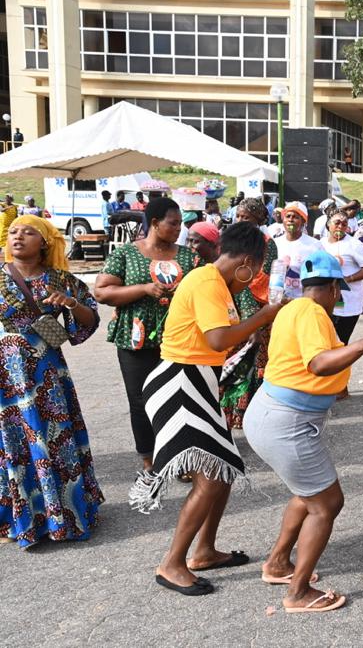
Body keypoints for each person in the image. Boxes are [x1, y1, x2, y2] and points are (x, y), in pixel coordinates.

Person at [128, 222, 283, 596]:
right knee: (210, 477)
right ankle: (172, 563)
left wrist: (253, 332)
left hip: (198, 381)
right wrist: (264, 315)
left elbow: (217, 343)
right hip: (179, 382)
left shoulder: (216, 285)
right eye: (258, 268)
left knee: (222, 469)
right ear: (247, 261)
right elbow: (217, 338)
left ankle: (204, 551)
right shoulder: (206, 282)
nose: (256, 277)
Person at [244, 250, 363, 612]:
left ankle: (278, 564)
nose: (338, 297)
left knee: (307, 493)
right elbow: (317, 363)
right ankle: (297, 594)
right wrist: (362, 344)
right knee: (327, 504)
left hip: (273, 415)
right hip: (287, 422)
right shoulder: (313, 312)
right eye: (337, 290)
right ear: (329, 287)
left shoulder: (294, 308)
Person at [2, 213, 101, 550]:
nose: (18, 237)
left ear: (44, 241)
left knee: (54, 440)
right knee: (13, 441)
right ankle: (21, 518)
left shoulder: (61, 280)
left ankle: (64, 515)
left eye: (28, 232)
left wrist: (71, 303)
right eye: (13, 232)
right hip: (6, 378)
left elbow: (88, 322)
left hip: (47, 375)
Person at [95, 198, 200, 473]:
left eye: (180, 223)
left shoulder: (188, 257)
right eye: (173, 223)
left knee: (179, 398)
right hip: (135, 339)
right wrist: (143, 289)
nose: (179, 228)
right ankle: (149, 460)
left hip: (178, 340)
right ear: (154, 223)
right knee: (141, 401)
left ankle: (179, 456)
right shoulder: (127, 254)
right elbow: (102, 292)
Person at [221, 197, 280, 430]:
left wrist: (244, 291)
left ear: (259, 219)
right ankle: (230, 412)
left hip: (258, 306)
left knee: (255, 359)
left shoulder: (268, 244)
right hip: (231, 302)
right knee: (232, 357)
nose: (241, 220)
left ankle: (252, 412)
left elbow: (263, 277)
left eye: (247, 217)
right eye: (239, 216)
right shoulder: (231, 240)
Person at [322, 210, 363, 346]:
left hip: (347, 305)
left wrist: (348, 279)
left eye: (344, 224)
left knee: (340, 344)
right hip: (326, 303)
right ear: (328, 225)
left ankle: (340, 367)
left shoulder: (354, 245)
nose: (340, 226)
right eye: (337, 223)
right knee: (325, 343)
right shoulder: (321, 244)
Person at [274, 202, 323, 301]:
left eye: (295, 217)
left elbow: (321, 273)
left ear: (303, 221)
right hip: (279, 301)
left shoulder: (315, 245)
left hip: (304, 301)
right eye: (288, 216)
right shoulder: (275, 243)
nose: (290, 220)